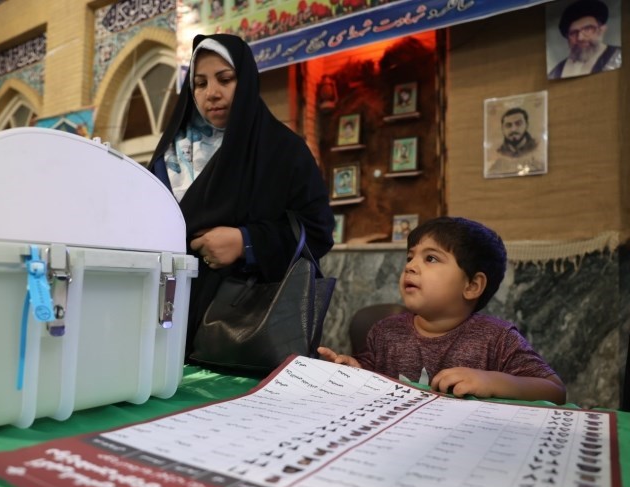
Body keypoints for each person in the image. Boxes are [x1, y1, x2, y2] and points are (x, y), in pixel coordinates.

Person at [148, 33, 335, 361]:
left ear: (246, 80)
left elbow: (317, 231)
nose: (212, 93)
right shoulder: (170, 157)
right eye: (200, 83)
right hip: (165, 311)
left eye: (225, 79)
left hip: (243, 325)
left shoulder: (282, 151)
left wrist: (246, 242)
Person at [318, 216, 567, 405]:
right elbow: (370, 378)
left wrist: (492, 381)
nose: (411, 267)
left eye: (431, 259)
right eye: (410, 258)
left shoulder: (497, 338)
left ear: (471, 285)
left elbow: (554, 390)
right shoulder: (385, 332)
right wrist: (353, 370)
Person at [548, 0, 622, 80]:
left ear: (601, 30)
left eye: (588, 29)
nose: (580, 38)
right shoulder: (556, 72)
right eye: (573, 33)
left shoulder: (620, 56)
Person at [488, 107, 544, 176]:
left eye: (518, 124)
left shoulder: (538, 151)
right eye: (508, 125)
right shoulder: (497, 157)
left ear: (526, 125)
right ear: (502, 129)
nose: (513, 129)